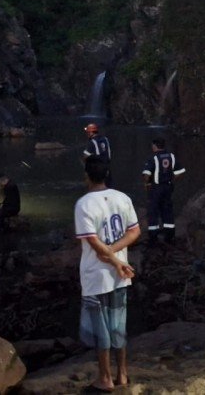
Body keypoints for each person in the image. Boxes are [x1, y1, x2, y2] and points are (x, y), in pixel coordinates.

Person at [75, 156, 140, 392]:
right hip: (121, 274)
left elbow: (93, 241)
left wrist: (110, 256)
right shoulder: (123, 198)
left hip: (96, 276)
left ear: (87, 176)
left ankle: (105, 378)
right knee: (118, 325)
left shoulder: (84, 204)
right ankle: (123, 374)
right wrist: (118, 258)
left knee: (100, 329)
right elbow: (135, 231)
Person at [142, 137, 185, 245]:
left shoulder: (153, 158)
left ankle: (153, 236)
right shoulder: (172, 156)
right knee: (167, 209)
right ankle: (169, 234)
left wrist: (147, 184)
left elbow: (147, 174)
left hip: (156, 188)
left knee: (153, 210)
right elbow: (181, 171)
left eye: (152, 145)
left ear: (155, 146)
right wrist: (172, 179)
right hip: (168, 187)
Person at [82, 123, 113, 187]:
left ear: (91, 133)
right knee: (108, 188)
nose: (86, 134)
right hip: (107, 169)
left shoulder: (92, 142)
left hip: (98, 171)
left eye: (87, 132)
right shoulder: (105, 139)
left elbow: (85, 156)